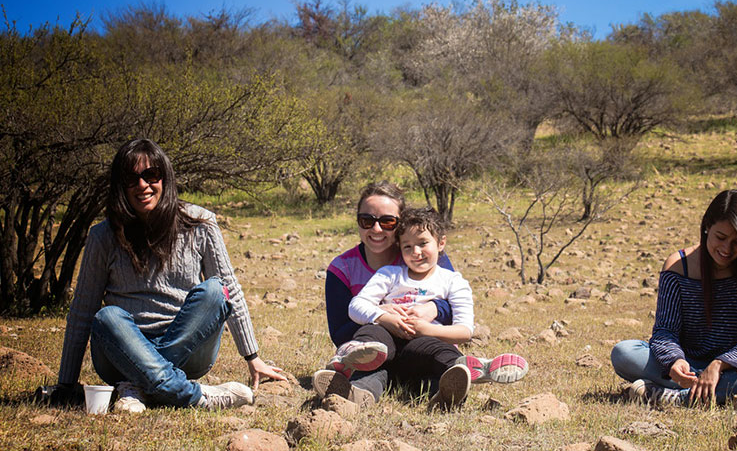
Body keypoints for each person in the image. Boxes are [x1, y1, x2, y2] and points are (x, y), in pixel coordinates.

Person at [53, 138, 285, 411]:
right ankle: (194, 396)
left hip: (189, 348)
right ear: (120, 186)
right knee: (107, 317)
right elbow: (83, 308)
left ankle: (137, 386)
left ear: (165, 178)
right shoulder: (103, 236)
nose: (142, 185)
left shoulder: (200, 224)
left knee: (214, 290)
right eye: (131, 178)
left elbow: (229, 290)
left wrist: (252, 356)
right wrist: (66, 383)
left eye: (151, 175)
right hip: (119, 351)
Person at [314, 182, 527, 407]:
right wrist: (381, 314)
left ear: (400, 225)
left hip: (420, 348)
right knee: (373, 354)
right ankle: (353, 388)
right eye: (367, 220)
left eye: (387, 221)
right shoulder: (367, 271)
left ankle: (463, 374)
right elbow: (342, 326)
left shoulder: (426, 259)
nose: (376, 229)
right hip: (380, 353)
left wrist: (432, 309)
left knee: (435, 366)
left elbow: (456, 314)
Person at [610, 189, 737, 407]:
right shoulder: (679, 266)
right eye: (721, 237)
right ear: (707, 226)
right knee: (624, 353)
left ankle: (680, 398)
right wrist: (674, 362)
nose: (727, 249)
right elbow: (664, 331)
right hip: (689, 365)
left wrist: (720, 364)